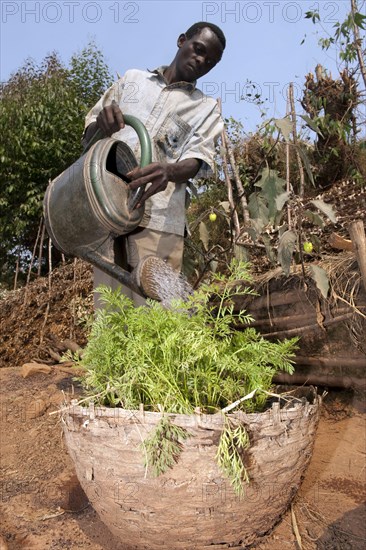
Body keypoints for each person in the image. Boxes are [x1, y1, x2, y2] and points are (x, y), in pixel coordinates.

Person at [82, 22, 226, 306]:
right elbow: (88, 137)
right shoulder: (132, 80)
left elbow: (198, 161)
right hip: (109, 213)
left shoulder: (206, 108)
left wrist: (168, 170)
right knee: (110, 318)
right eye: (198, 50)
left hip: (158, 223)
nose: (201, 61)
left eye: (210, 61)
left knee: (157, 323)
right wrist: (101, 124)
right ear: (181, 40)